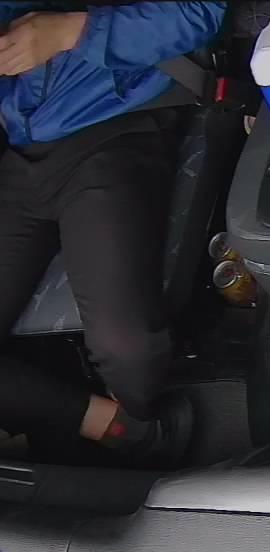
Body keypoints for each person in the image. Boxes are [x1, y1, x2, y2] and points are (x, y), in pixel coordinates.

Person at [0, 2, 226, 466]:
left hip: (114, 126)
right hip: (21, 149)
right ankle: (117, 427)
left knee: (126, 348)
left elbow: (199, 15)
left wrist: (72, 31)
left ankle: (139, 424)